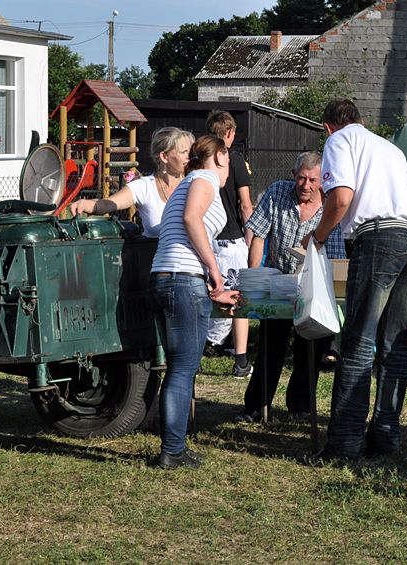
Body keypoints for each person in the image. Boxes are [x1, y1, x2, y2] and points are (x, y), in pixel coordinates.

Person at [305, 99, 407, 460]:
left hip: (378, 239)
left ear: (328, 126)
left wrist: (319, 236)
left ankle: (344, 443)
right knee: (396, 346)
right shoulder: (389, 147)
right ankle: (385, 437)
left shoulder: (339, 141)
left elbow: (341, 199)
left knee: (357, 342)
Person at [149, 135, 240, 470]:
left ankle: (174, 445)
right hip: (181, 280)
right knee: (183, 369)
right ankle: (173, 451)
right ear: (218, 156)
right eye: (228, 160)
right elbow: (191, 220)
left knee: (179, 368)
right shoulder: (204, 178)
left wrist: (211, 285)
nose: (230, 169)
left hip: (171, 277)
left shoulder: (190, 180)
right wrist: (215, 273)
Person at [236, 151, 346, 423]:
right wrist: (255, 279)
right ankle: (256, 407)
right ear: (293, 177)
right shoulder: (277, 193)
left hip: (313, 287)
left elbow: (334, 257)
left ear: (322, 181)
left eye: (312, 180)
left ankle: (300, 407)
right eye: (301, 179)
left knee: (309, 351)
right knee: (269, 349)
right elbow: (259, 235)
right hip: (278, 284)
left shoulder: (332, 206)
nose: (305, 186)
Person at [69, 127, 194, 236]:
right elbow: (109, 203)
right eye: (184, 152)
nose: (191, 157)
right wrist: (86, 204)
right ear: (164, 157)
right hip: (156, 258)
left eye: (191, 152)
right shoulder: (144, 187)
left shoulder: (196, 184)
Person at [205, 110, 254, 378]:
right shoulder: (234, 160)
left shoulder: (199, 160)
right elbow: (245, 204)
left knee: (210, 293)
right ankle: (241, 360)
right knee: (238, 299)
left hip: (205, 238)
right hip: (230, 237)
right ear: (229, 133)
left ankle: (208, 343)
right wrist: (250, 236)